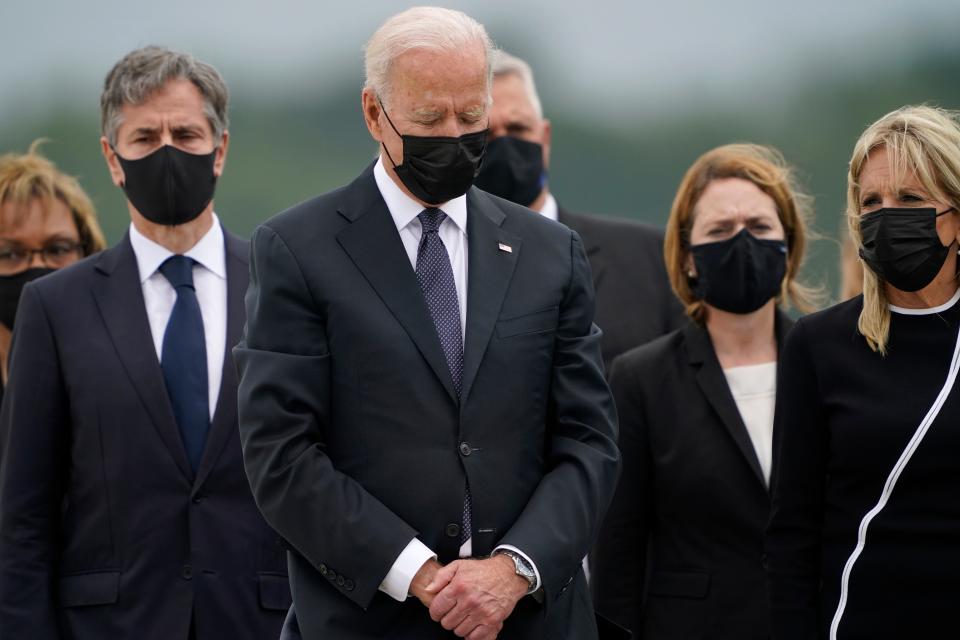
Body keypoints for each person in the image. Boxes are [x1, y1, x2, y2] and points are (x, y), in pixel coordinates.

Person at [234, 7, 620, 640]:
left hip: (530, 619)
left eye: (471, 117)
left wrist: (513, 571)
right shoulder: (297, 249)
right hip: (374, 619)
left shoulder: (549, 251)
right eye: (428, 118)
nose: (453, 135)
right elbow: (281, 453)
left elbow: (589, 442)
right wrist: (417, 573)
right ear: (373, 113)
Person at [0, 47, 290, 640]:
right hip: (110, 625)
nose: (166, 151)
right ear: (112, 158)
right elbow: (24, 516)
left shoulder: (287, 289)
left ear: (220, 149)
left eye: (185, 133)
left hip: (261, 620)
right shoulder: (56, 306)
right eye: (144, 137)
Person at [592, 144, 817, 639]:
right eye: (719, 230)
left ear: (788, 245)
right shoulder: (641, 379)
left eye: (759, 227)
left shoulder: (831, 363)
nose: (741, 242)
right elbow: (617, 556)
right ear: (689, 257)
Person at [766, 105, 960, 640]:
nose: (886, 214)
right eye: (871, 201)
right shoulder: (819, 343)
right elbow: (792, 532)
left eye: (911, 199)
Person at [475, 51, 685, 370]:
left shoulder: (649, 258)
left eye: (518, 128)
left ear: (545, 138)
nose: (505, 144)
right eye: (486, 134)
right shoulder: (438, 261)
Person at [0, 141, 106, 397]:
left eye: (57, 250)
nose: (37, 267)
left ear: (88, 253)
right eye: (11, 253)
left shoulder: (118, 377)